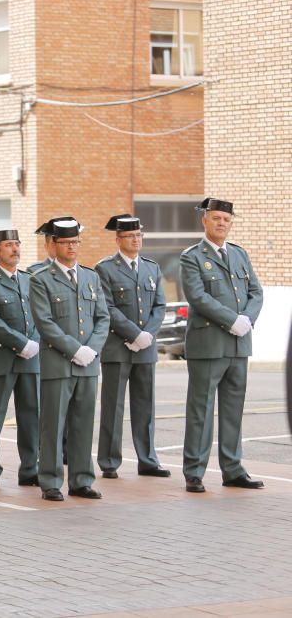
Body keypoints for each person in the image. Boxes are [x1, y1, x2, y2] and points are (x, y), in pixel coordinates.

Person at [181, 198, 265, 493]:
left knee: (233, 410)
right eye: (216, 218)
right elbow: (198, 297)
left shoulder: (240, 254)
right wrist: (232, 320)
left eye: (226, 220)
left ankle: (233, 469)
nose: (221, 224)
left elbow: (256, 291)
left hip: (239, 344)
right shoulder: (192, 256)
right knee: (200, 410)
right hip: (208, 344)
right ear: (204, 220)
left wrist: (248, 319)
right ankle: (194, 471)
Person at [28, 219, 109, 501]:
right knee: (53, 424)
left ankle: (81, 480)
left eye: (76, 242)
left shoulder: (91, 277)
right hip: (59, 364)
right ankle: (50, 480)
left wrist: (93, 349)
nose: (72, 247)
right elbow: (45, 322)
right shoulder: (40, 279)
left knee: (83, 423)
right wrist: (75, 350)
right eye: (66, 242)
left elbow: (103, 318)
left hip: (88, 364)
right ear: (52, 244)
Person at [95, 214, 170, 479]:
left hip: (146, 348)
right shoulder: (105, 268)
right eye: (130, 236)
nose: (136, 240)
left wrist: (147, 335)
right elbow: (107, 307)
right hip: (118, 348)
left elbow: (160, 306)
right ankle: (109, 462)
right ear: (118, 239)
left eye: (139, 235)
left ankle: (148, 460)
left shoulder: (152, 267)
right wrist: (133, 333)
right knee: (113, 408)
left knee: (145, 407)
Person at [0, 229, 40, 490]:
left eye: (17, 244)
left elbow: (38, 314)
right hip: (1, 358)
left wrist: (32, 343)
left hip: (30, 358)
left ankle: (30, 469)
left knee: (31, 416)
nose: (15, 249)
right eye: (9, 245)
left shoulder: (29, 279)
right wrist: (20, 343)